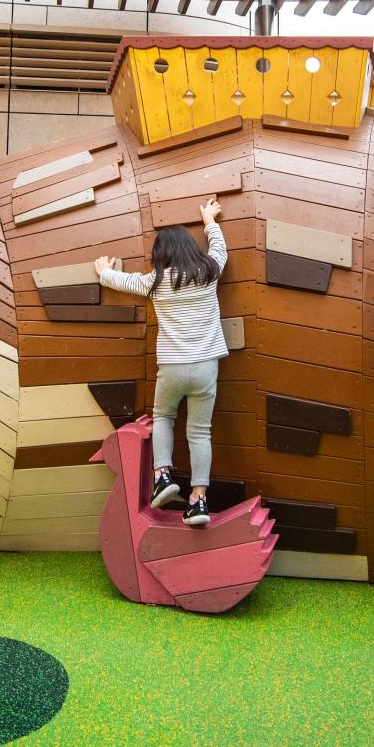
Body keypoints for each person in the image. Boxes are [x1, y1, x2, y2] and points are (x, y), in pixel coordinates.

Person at [95, 198, 228, 526]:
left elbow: (122, 282)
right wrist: (209, 220)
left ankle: (163, 477)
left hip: (171, 367)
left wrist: (104, 271)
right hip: (206, 366)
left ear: (161, 255)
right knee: (200, 432)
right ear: (188, 249)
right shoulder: (209, 272)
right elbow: (221, 250)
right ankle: (198, 502)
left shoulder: (155, 281)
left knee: (164, 417)